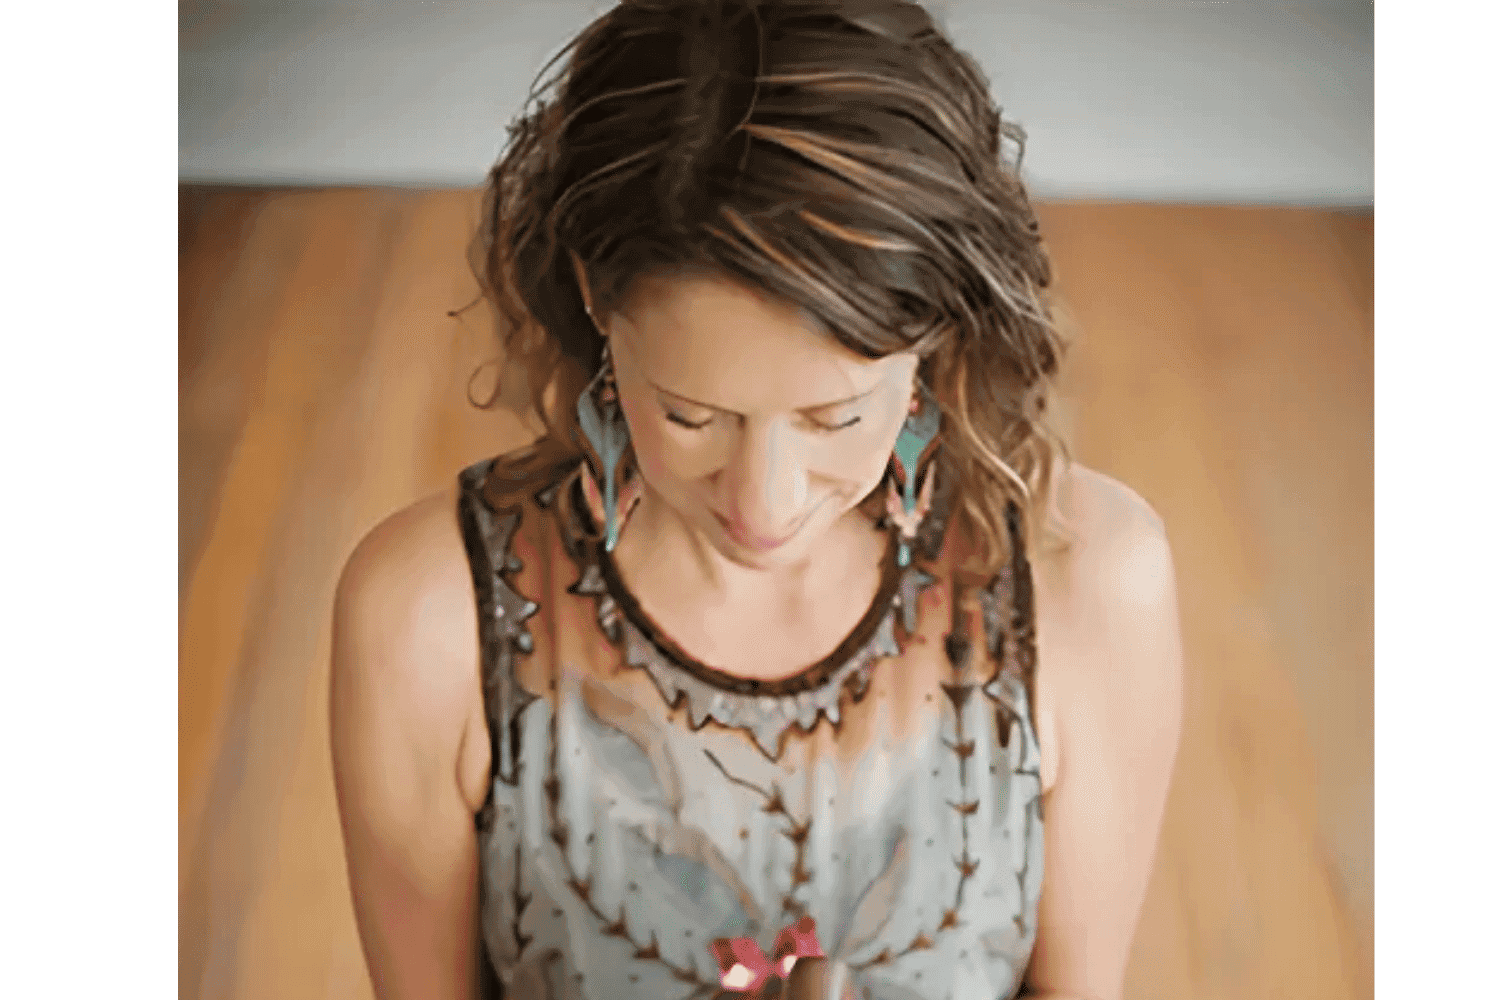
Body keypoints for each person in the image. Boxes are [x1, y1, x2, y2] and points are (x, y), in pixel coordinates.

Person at [329, 1, 1183, 998]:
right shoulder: (427, 617)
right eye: (692, 415)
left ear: (933, 333)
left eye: (833, 418)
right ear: (595, 297)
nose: (762, 502)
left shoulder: (1086, 579)